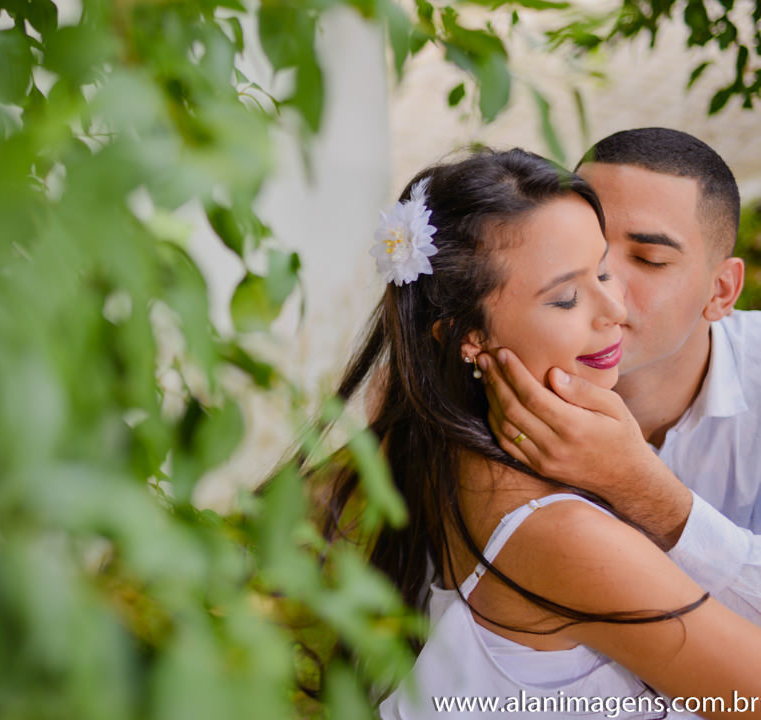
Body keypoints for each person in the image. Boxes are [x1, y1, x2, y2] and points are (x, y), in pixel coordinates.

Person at [322, 147, 761, 719]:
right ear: (468, 337)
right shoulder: (563, 534)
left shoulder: (438, 432)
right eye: (566, 297)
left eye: (601, 271)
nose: (614, 307)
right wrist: (641, 486)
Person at [477, 128, 761, 625]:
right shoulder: (497, 366)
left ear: (721, 290)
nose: (602, 286)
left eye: (649, 260)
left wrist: (644, 491)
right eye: (584, 246)